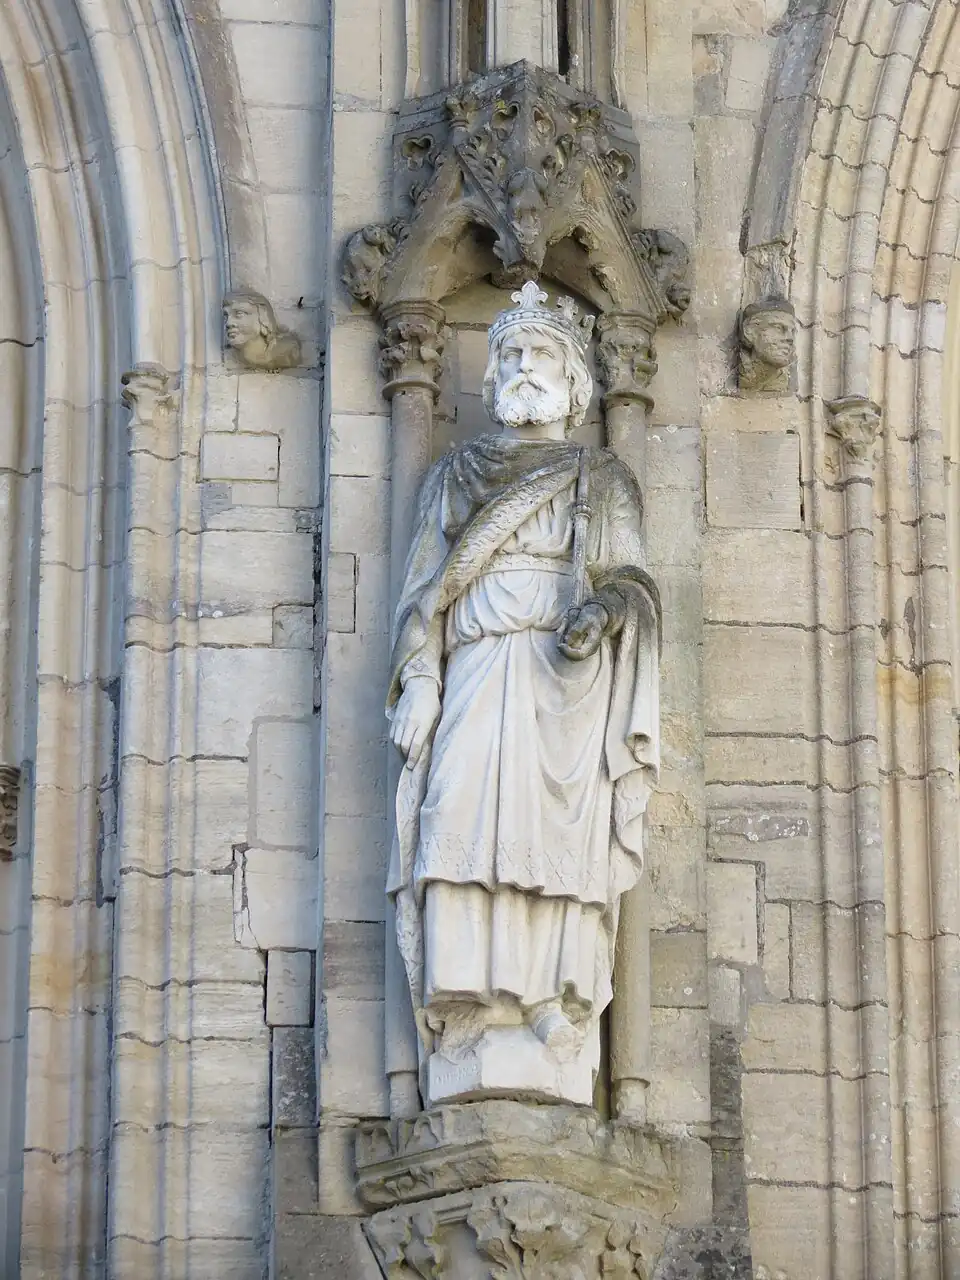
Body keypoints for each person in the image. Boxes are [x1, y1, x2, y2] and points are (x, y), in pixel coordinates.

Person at [386, 281, 660, 1105]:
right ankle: (467, 999)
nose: (524, 367)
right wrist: (421, 684)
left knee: (557, 844)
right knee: (458, 815)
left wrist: (604, 611)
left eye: (542, 354)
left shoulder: (601, 476)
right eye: (510, 354)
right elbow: (422, 596)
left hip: (564, 680)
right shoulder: (454, 475)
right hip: (476, 664)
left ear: (576, 379)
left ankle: (553, 1001)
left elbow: (636, 581)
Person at [222, 291, 301, 370]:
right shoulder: (231, 356)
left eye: (239, 314)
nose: (228, 323)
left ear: (262, 315)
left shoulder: (286, 350)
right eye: (226, 316)